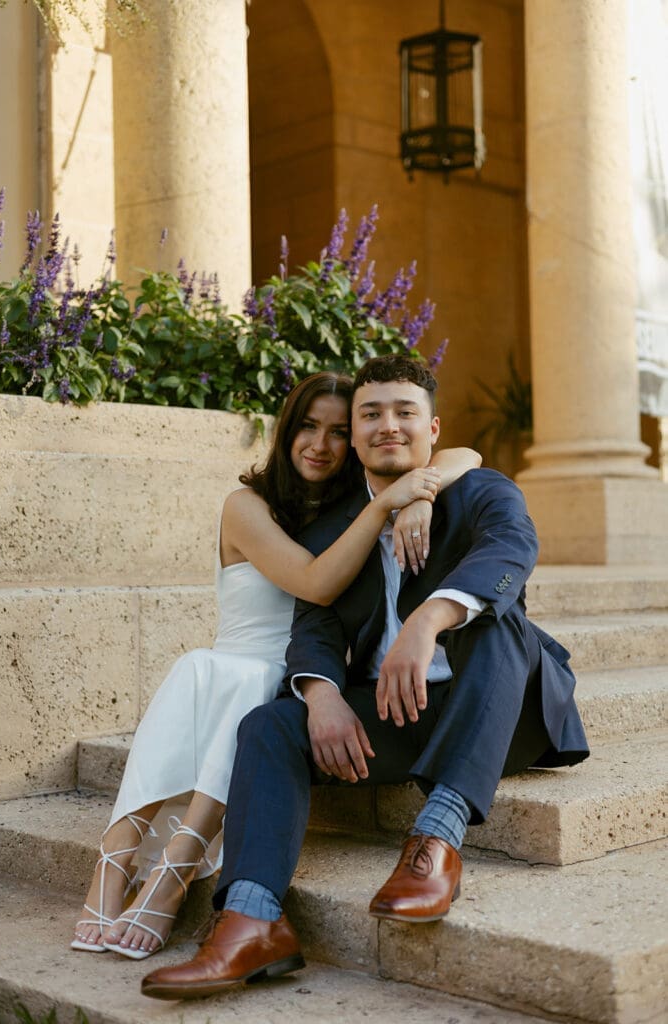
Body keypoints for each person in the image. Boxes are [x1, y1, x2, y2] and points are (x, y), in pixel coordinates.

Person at [140, 354, 590, 1001]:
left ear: (433, 429)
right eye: (370, 414)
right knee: (268, 722)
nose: (387, 426)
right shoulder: (337, 528)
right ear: (353, 437)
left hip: (497, 708)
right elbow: (314, 625)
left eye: (404, 412)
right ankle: (249, 920)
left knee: (499, 624)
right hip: (398, 713)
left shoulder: (480, 491)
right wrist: (320, 693)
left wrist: (427, 621)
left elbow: (509, 554)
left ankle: (435, 839)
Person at [71, 369, 481, 960]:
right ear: (286, 433)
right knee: (220, 675)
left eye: (339, 431)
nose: (320, 444)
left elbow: (467, 452)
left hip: (292, 671)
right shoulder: (246, 505)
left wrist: (421, 491)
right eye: (307, 428)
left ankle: (174, 871)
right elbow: (315, 584)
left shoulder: (349, 508)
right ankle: (109, 871)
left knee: (263, 691)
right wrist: (395, 499)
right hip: (238, 661)